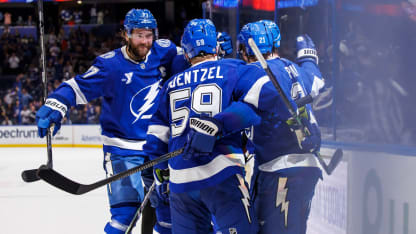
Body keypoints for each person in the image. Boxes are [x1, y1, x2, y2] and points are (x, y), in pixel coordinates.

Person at [35, 9, 181, 234]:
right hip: (123, 150)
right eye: (139, 35)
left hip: (158, 148)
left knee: (169, 213)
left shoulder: (165, 51)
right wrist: (56, 104)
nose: (145, 41)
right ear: (126, 34)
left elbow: (192, 60)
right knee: (125, 216)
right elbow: (77, 86)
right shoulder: (110, 65)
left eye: (149, 35)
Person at [142, 18, 282, 234]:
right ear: (216, 47)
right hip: (222, 175)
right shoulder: (233, 68)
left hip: (181, 183)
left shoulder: (170, 84)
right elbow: (270, 95)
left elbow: (155, 139)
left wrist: (162, 175)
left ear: (186, 54)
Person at [238, 21, 324, 233]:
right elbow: (317, 82)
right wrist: (307, 55)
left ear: (246, 49)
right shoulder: (295, 68)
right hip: (308, 167)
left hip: (279, 169)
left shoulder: (252, 72)